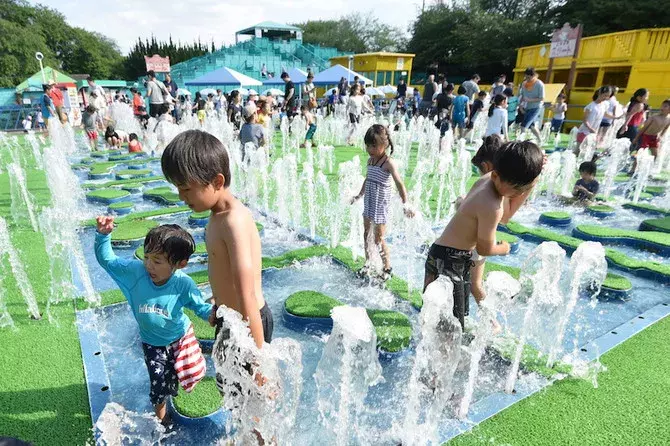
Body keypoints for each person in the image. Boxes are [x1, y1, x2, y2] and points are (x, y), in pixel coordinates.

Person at [161, 130, 273, 402]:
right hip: (229, 319)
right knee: (232, 394)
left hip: (247, 323)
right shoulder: (216, 216)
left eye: (186, 188)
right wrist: (218, 302)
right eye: (177, 188)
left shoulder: (233, 221)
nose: (180, 196)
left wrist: (258, 361)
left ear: (217, 181)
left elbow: (247, 295)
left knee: (254, 398)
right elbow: (223, 275)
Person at [94, 218, 213, 425]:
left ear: (180, 264)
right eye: (147, 257)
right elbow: (108, 261)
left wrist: (216, 315)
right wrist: (103, 236)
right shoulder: (135, 273)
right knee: (158, 387)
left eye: (157, 261)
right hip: (153, 345)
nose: (149, 265)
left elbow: (200, 308)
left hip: (180, 339)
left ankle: (174, 384)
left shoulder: (183, 284)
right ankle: (163, 421)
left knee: (184, 376)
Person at [425, 140, 544, 329]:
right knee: (450, 326)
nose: (516, 196)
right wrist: (504, 248)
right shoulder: (492, 206)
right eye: (515, 191)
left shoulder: (487, 180)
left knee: (435, 320)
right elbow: (484, 248)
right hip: (451, 261)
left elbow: (505, 214)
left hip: (441, 254)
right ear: (497, 175)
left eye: (523, 190)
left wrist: (533, 179)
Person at [351, 125, 413, 281]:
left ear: (384, 145)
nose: (369, 149)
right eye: (367, 145)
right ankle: (368, 262)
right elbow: (368, 178)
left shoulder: (388, 163)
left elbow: (399, 183)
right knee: (366, 234)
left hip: (380, 205)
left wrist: (406, 204)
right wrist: (359, 195)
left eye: (373, 146)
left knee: (379, 238)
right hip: (369, 202)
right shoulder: (371, 160)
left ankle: (387, 267)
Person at [576, 86, 613, 153]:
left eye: (608, 96)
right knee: (578, 152)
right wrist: (591, 129)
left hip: (593, 133)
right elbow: (584, 120)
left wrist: (616, 117)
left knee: (589, 152)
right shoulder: (590, 106)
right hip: (584, 132)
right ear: (599, 93)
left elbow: (605, 114)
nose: (606, 98)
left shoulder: (603, 105)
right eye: (605, 95)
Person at [518, 67, 545, 141]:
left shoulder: (539, 84)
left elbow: (542, 98)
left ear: (533, 75)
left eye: (528, 77)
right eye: (526, 77)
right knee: (532, 126)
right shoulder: (524, 84)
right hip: (527, 107)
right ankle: (540, 140)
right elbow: (522, 96)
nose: (527, 79)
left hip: (536, 107)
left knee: (524, 125)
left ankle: (520, 142)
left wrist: (530, 100)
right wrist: (520, 107)